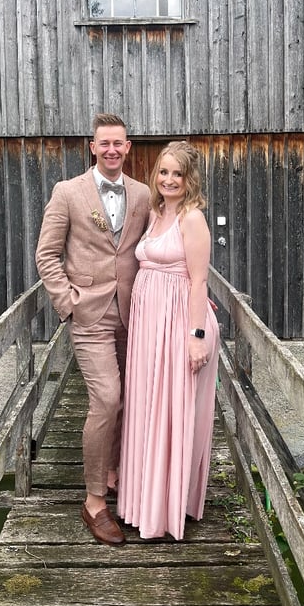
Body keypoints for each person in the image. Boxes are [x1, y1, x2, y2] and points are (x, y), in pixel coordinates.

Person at [35, 113, 150, 546]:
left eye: (118, 143)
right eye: (105, 143)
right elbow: (47, 254)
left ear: (128, 147)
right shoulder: (67, 192)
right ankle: (95, 501)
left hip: (135, 314)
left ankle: (114, 471)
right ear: (93, 147)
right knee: (107, 398)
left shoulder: (143, 194)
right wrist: (67, 304)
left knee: (129, 398)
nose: (112, 150)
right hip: (90, 315)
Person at [117, 140, 220, 540]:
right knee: (147, 406)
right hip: (149, 326)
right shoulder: (156, 212)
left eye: (178, 173)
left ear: (190, 178)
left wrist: (196, 337)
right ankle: (142, 503)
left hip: (179, 323)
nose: (169, 179)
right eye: (164, 171)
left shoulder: (192, 219)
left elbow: (198, 281)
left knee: (171, 409)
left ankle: (165, 511)